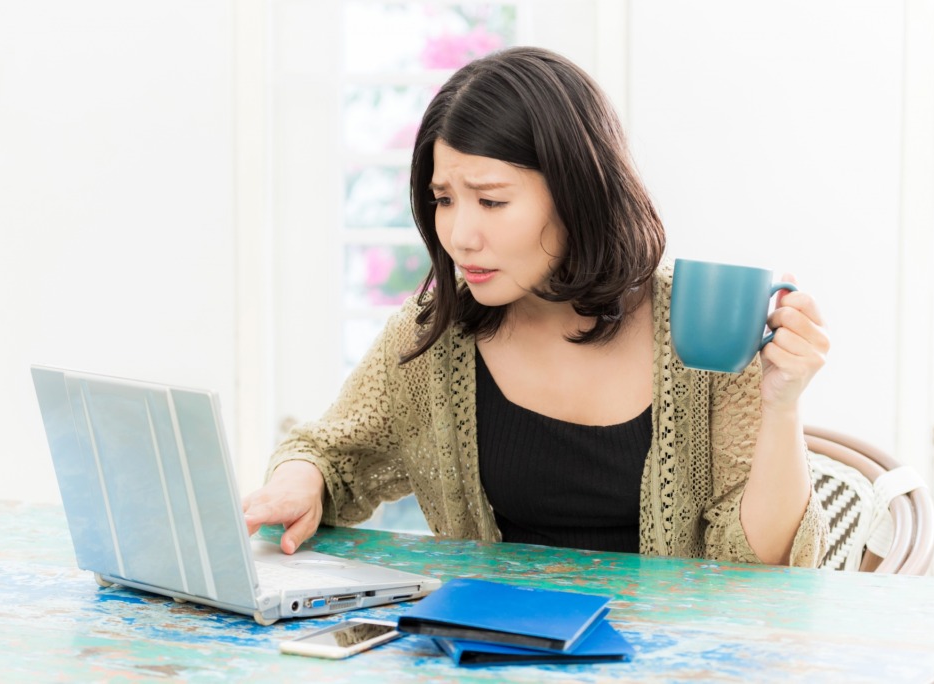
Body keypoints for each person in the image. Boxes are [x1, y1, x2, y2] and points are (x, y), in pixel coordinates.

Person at [242, 46, 830, 567]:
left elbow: (763, 564)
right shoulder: (434, 335)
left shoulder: (699, 329)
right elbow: (328, 451)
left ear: (580, 193)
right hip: (488, 651)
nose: (460, 235)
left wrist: (782, 405)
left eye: (492, 201)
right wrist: (300, 483)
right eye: (444, 199)